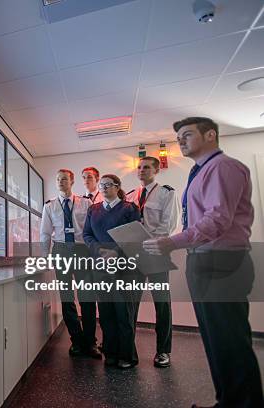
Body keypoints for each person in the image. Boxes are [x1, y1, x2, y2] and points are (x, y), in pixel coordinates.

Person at [143, 117, 263, 407]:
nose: (181, 141)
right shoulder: (201, 171)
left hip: (221, 262)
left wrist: (172, 242)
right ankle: (228, 401)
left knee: (229, 341)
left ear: (210, 135)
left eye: (187, 135)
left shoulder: (223, 167)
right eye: (179, 137)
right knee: (215, 340)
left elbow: (217, 220)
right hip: (205, 261)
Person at [41, 169, 102, 359]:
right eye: (58, 179)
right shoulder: (49, 206)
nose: (60, 182)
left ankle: (90, 342)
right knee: (67, 299)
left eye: (64, 179)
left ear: (72, 181)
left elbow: (92, 230)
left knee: (87, 298)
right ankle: (76, 341)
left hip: (82, 250)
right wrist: (45, 257)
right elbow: (45, 233)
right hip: (61, 251)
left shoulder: (86, 203)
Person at [126, 156, 180, 368]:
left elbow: (168, 226)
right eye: (139, 167)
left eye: (146, 167)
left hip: (156, 253)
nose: (141, 170)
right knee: (130, 302)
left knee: (162, 303)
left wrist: (146, 240)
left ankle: (163, 351)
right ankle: (128, 348)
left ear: (156, 170)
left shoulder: (167, 192)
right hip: (134, 255)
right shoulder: (131, 195)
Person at [83, 174, 141, 369]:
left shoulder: (129, 208)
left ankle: (127, 355)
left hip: (124, 266)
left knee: (124, 312)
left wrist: (115, 252)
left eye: (109, 185)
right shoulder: (93, 209)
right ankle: (111, 353)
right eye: (102, 185)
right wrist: (100, 250)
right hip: (101, 265)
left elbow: (135, 235)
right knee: (106, 312)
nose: (104, 188)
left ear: (117, 187)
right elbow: (87, 234)